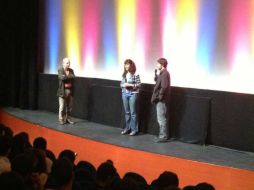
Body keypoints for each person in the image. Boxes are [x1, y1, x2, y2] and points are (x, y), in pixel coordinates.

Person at [151, 58, 171, 143]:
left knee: (161, 118)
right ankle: (162, 135)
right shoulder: (162, 73)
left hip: (162, 100)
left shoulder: (165, 73)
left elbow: (164, 86)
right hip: (161, 99)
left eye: (158, 64)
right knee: (161, 118)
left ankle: (163, 136)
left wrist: (159, 96)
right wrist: (156, 78)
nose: (157, 65)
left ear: (162, 64)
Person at [120, 59, 141, 136]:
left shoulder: (135, 74)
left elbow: (139, 85)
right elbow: (121, 84)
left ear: (131, 65)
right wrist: (123, 85)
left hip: (133, 94)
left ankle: (134, 130)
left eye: (127, 64)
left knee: (133, 113)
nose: (126, 66)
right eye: (125, 64)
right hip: (124, 94)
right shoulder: (124, 74)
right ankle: (127, 128)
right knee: (127, 112)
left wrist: (131, 85)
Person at [57, 57, 75, 125]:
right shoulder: (60, 69)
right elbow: (62, 78)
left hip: (70, 91)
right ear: (63, 63)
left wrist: (66, 76)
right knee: (62, 107)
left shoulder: (71, 70)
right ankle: (61, 119)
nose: (68, 64)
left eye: (69, 63)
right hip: (62, 91)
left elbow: (73, 77)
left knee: (69, 107)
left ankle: (68, 118)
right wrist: (68, 76)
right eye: (67, 63)